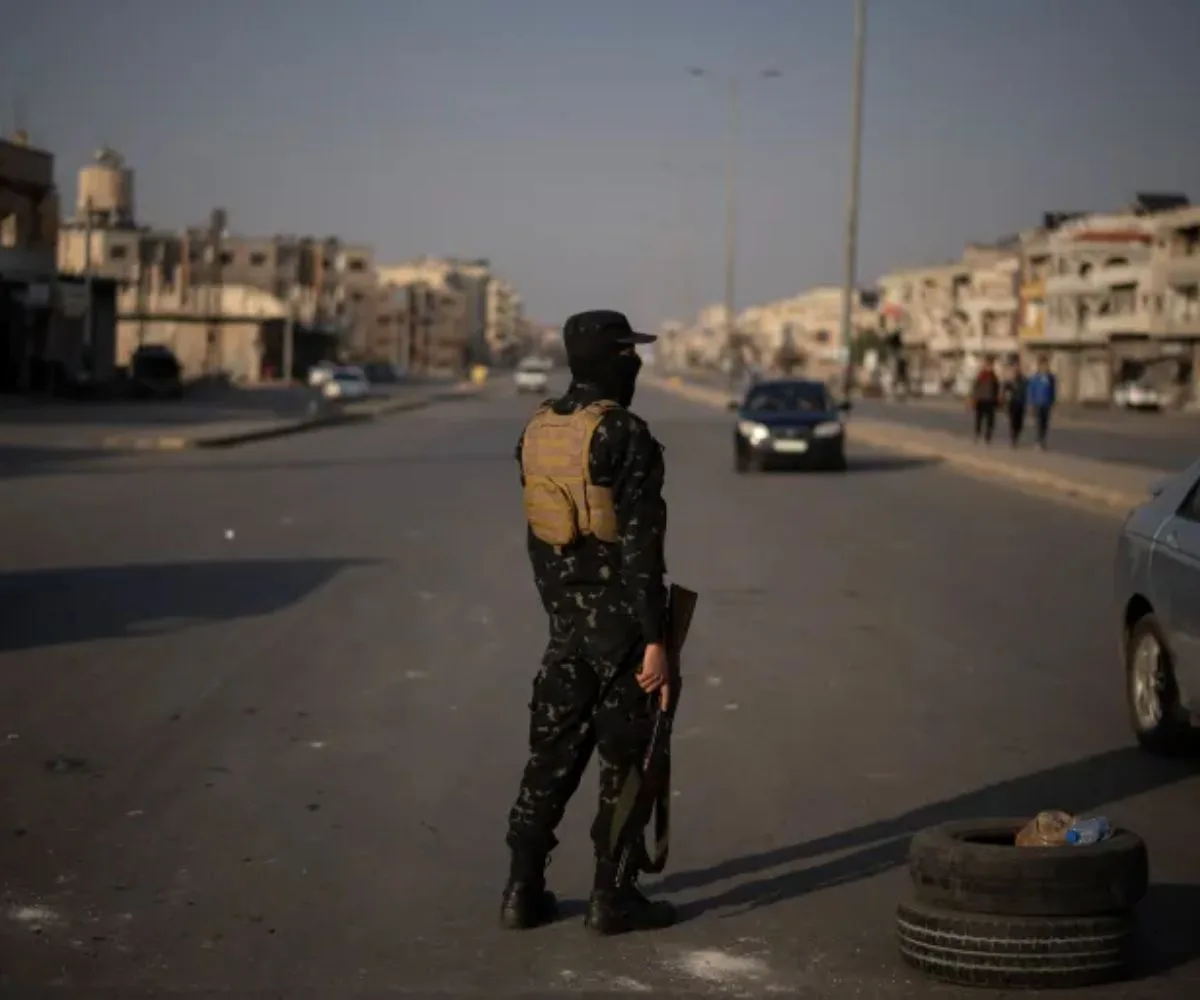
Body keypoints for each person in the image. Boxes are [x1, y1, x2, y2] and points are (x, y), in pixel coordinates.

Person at [502, 310, 677, 936]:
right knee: (625, 764)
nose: (635, 362)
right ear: (610, 360)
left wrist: (564, 610)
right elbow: (641, 549)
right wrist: (655, 640)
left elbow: (539, 540)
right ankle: (614, 896)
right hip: (623, 634)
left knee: (549, 760)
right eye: (627, 351)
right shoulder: (624, 433)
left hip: (565, 629)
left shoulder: (539, 429)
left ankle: (522, 891)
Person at [1027, 357, 1057, 450]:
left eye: (1046, 365)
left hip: (1047, 403)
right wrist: (1030, 403)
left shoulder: (1051, 378)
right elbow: (1031, 391)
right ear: (1039, 366)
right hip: (1037, 403)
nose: (1045, 367)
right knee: (1038, 423)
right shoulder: (1035, 377)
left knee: (1045, 424)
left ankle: (1043, 440)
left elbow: (1053, 391)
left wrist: (1053, 402)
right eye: (1043, 365)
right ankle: (1038, 441)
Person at [970, 357, 1000, 444]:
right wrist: (974, 399)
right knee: (979, 419)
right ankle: (977, 434)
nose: (989, 367)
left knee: (990, 421)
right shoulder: (981, 375)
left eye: (991, 365)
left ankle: (988, 437)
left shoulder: (994, 376)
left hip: (990, 401)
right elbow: (975, 387)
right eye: (988, 365)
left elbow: (997, 389)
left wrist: (997, 399)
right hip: (981, 400)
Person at [1001, 361, 1029, 447]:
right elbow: (1004, 390)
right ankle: (1013, 438)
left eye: (1018, 369)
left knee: (1019, 423)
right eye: (1015, 369)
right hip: (1012, 403)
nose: (1017, 371)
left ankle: (1016, 435)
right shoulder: (1010, 381)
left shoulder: (1024, 381)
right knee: (1013, 421)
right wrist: (1004, 400)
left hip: (1021, 403)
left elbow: (1027, 391)